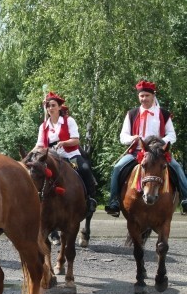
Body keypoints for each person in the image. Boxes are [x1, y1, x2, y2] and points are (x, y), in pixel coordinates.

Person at [105, 80, 187, 216]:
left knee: (177, 168)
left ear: (153, 96)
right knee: (118, 168)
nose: (144, 99)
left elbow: (172, 135)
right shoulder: (131, 114)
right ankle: (114, 201)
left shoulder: (164, 114)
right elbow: (123, 136)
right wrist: (132, 138)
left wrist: (160, 143)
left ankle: (185, 198)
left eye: (147, 96)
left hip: (158, 153)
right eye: (141, 96)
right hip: (137, 152)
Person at [34, 91, 97, 213]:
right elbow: (39, 145)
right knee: (36, 172)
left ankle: (90, 198)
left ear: (59, 107)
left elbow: (76, 140)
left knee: (83, 168)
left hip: (70, 157)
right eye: (48, 106)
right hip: (52, 159)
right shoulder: (43, 126)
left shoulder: (69, 121)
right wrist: (29, 155)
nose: (50, 108)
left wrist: (63, 143)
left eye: (53, 105)